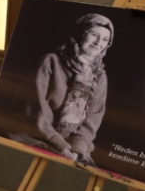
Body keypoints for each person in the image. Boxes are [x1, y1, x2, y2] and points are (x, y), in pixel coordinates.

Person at [10, 13, 114, 166]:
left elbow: (94, 116)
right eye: (94, 35)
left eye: (105, 40)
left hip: (73, 146)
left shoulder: (99, 75)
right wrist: (60, 145)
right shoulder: (51, 61)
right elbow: (35, 110)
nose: (98, 43)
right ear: (80, 34)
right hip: (37, 135)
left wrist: (78, 148)